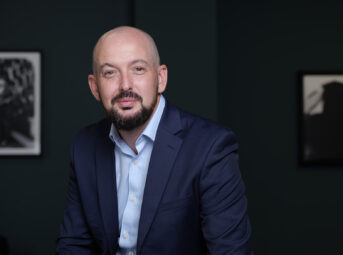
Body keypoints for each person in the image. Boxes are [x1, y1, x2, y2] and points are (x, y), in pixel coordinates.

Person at [56, 26, 253, 255]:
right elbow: (74, 246)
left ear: (160, 78)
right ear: (94, 87)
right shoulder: (84, 147)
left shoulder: (211, 147)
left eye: (138, 69)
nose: (125, 85)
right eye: (110, 73)